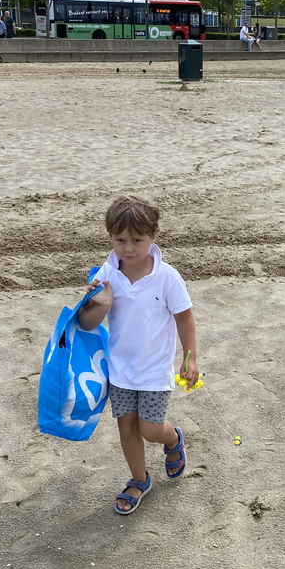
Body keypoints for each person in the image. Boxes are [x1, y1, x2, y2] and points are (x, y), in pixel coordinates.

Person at [78, 195, 200, 515]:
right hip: (119, 369)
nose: (128, 249)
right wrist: (98, 302)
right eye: (120, 240)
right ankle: (139, 479)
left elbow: (184, 317)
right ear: (110, 237)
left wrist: (191, 358)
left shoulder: (167, 277)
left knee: (150, 429)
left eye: (137, 240)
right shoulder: (107, 272)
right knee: (127, 428)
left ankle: (172, 440)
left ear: (154, 237)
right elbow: (87, 323)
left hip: (153, 369)